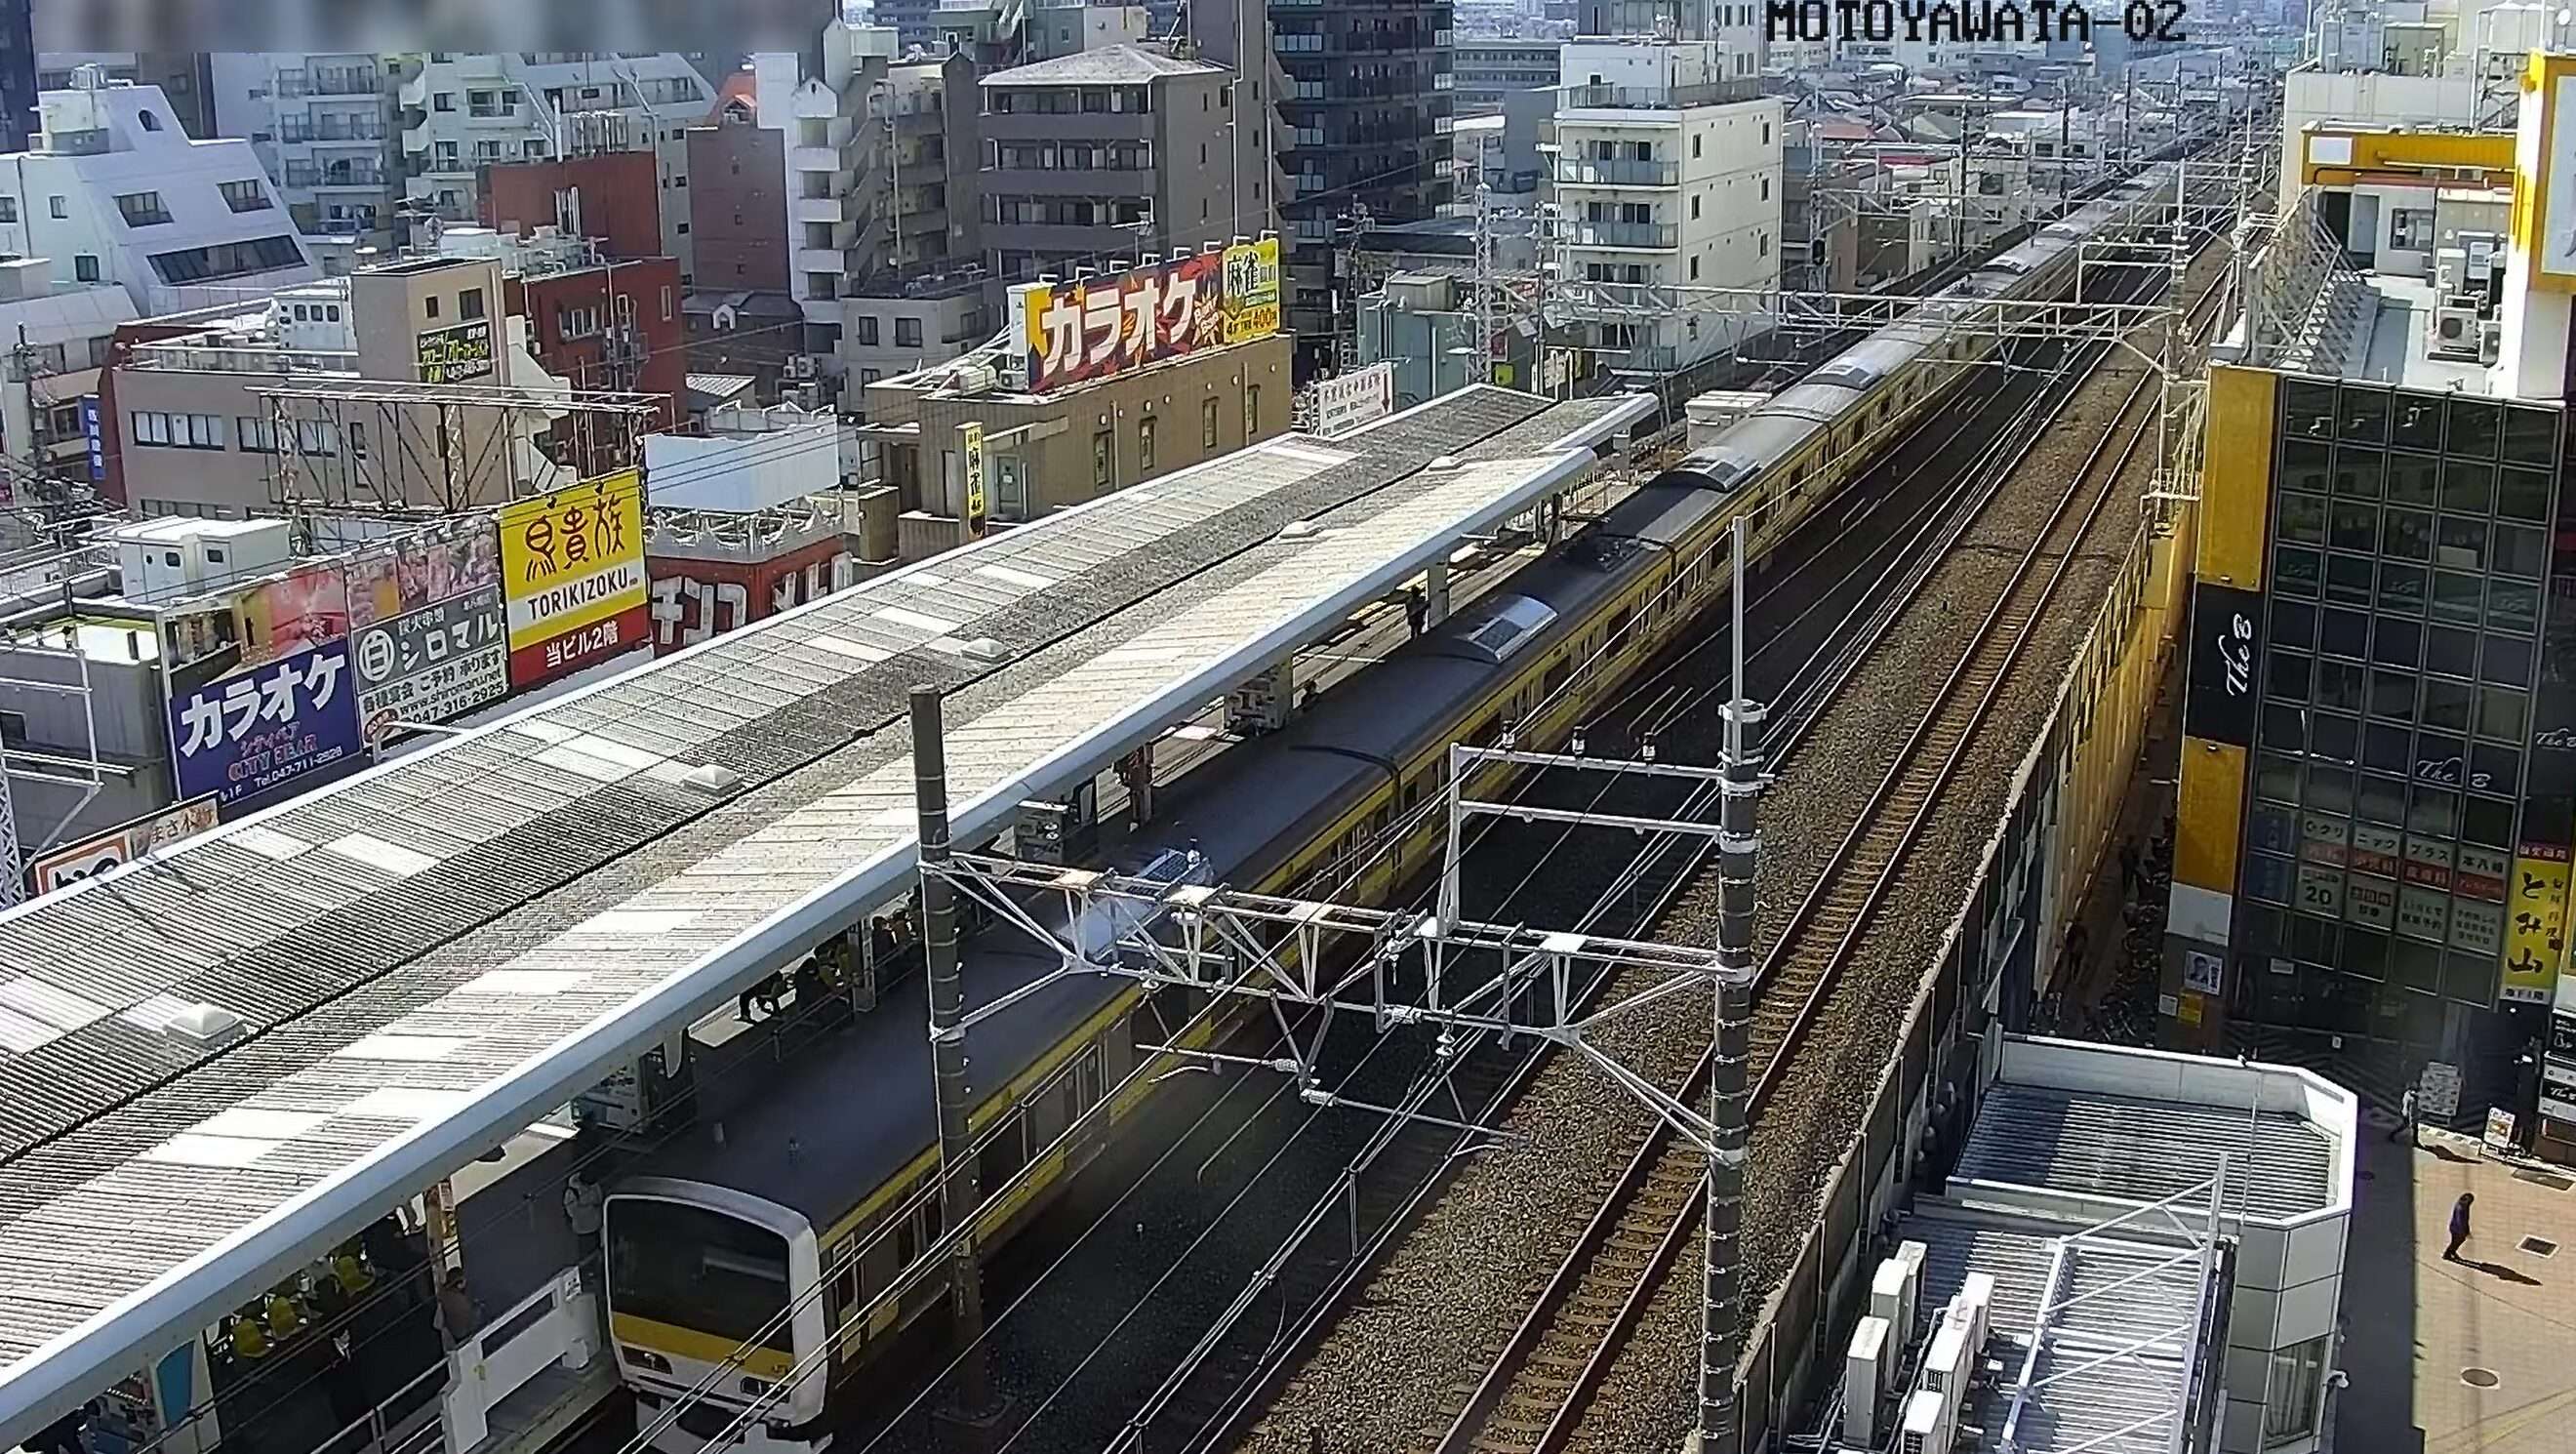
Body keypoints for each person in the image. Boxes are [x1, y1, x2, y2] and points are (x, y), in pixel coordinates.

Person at [564, 1172, 605, 1259]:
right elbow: (571, 1210)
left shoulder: (593, 1187)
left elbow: (599, 1200)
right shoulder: (572, 1192)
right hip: (583, 1229)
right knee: (587, 1255)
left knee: (598, 1253)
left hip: (596, 1226)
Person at [438, 1267, 482, 1347]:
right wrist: (477, 1308)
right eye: (464, 1280)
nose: (466, 1281)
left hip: (451, 1330)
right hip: (461, 1334)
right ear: (459, 1285)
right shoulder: (462, 1303)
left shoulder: (443, 1293)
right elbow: (471, 1323)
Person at [2445, 1192, 2475, 1262]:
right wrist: (2464, 1231)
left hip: (2455, 1227)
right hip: (2457, 1228)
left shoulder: (2462, 1204)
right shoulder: (2462, 1207)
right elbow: (2461, 1221)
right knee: (2458, 1240)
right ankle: (2448, 1253)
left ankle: (2451, 1252)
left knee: (2456, 1241)